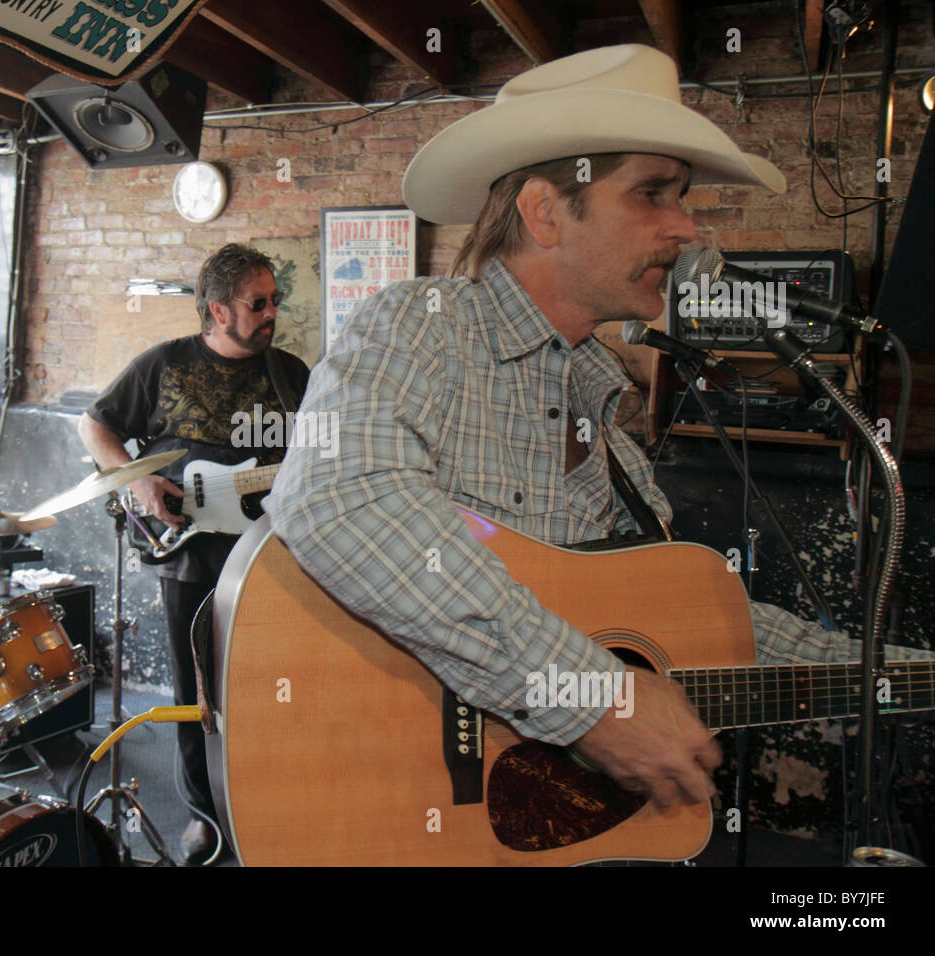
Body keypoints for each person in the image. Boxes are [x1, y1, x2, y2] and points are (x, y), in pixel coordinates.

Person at [266, 44, 925, 812]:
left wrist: (893, 669)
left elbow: (696, 626)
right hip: (388, 802)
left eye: (683, 198)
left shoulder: (601, 402)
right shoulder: (424, 327)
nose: (685, 229)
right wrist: (592, 699)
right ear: (546, 211)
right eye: (654, 194)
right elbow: (340, 498)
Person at [79, 243, 309, 862]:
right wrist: (137, 479)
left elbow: (318, 453)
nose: (270, 312)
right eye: (256, 303)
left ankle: (270, 800)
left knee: (274, 683)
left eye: (274, 300)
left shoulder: (292, 374)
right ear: (217, 310)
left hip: (272, 554)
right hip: (191, 552)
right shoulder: (164, 365)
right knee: (197, 693)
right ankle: (204, 814)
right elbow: (94, 424)